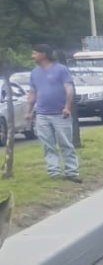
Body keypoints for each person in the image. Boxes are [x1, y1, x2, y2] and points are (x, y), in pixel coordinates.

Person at [24, 45, 80, 183]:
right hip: (42, 114)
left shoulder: (61, 69)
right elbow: (33, 93)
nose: (32, 56)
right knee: (47, 145)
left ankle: (71, 171)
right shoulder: (34, 73)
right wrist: (29, 111)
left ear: (44, 54)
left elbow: (69, 89)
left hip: (60, 113)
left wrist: (67, 107)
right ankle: (54, 172)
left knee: (65, 143)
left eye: (35, 53)